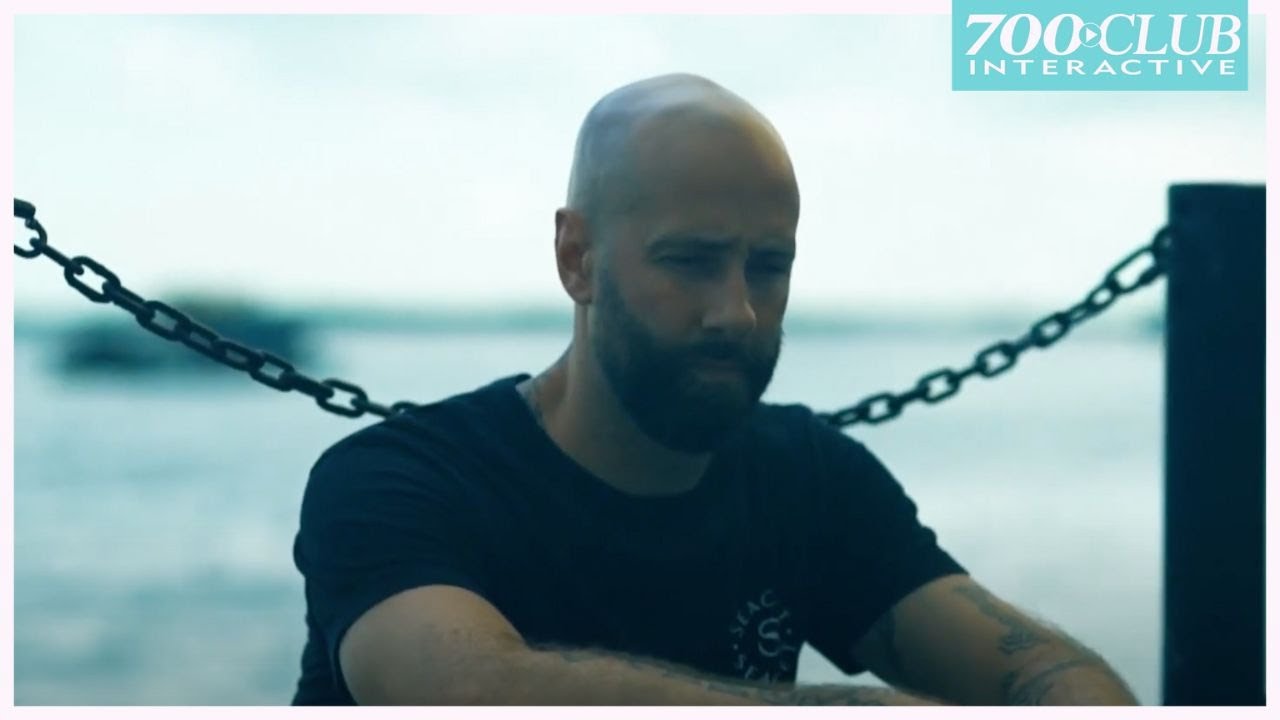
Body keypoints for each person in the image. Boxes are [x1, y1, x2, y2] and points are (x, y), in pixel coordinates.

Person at [290, 73, 1138, 706]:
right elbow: (467, 690)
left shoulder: (812, 480)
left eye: (768, 266)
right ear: (576, 259)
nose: (737, 311)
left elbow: (1040, 671)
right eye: (690, 261)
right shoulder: (401, 481)